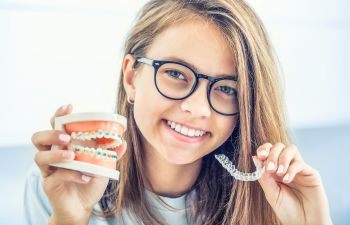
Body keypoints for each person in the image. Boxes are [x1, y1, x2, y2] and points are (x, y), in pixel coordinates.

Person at [24, 0, 333, 225]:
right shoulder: (58, 186)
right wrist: (68, 218)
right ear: (131, 78)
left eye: (227, 89)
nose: (197, 108)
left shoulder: (266, 201)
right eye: (175, 73)